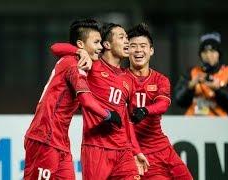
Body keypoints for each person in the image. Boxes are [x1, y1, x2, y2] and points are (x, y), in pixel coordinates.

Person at [23, 19, 122, 180]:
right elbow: (86, 101)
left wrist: (78, 51)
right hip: (45, 138)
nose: (100, 47)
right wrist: (109, 115)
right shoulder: (73, 64)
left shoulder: (76, 60)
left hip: (60, 141)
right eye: (96, 42)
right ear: (81, 44)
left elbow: (56, 47)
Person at [50, 22, 149, 180]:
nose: (127, 41)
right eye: (122, 37)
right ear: (107, 44)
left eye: (127, 38)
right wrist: (80, 52)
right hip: (96, 148)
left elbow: (126, 119)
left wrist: (136, 151)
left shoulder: (129, 79)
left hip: (123, 150)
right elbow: (56, 48)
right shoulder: (91, 65)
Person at [126, 23, 193, 179]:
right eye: (133, 46)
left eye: (143, 46)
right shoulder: (121, 79)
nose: (138, 50)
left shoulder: (160, 79)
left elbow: (163, 104)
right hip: (141, 151)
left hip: (162, 146)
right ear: (127, 50)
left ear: (151, 50)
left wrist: (145, 110)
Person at [174, 32, 228, 116]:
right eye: (205, 52)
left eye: (212, 51)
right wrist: (190, 86)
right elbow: (178, 100)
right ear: (200, 55)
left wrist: (218, 89)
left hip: (223, 124)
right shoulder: (192, 73)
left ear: (219, 53)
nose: (208, 55)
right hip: (194, 123)